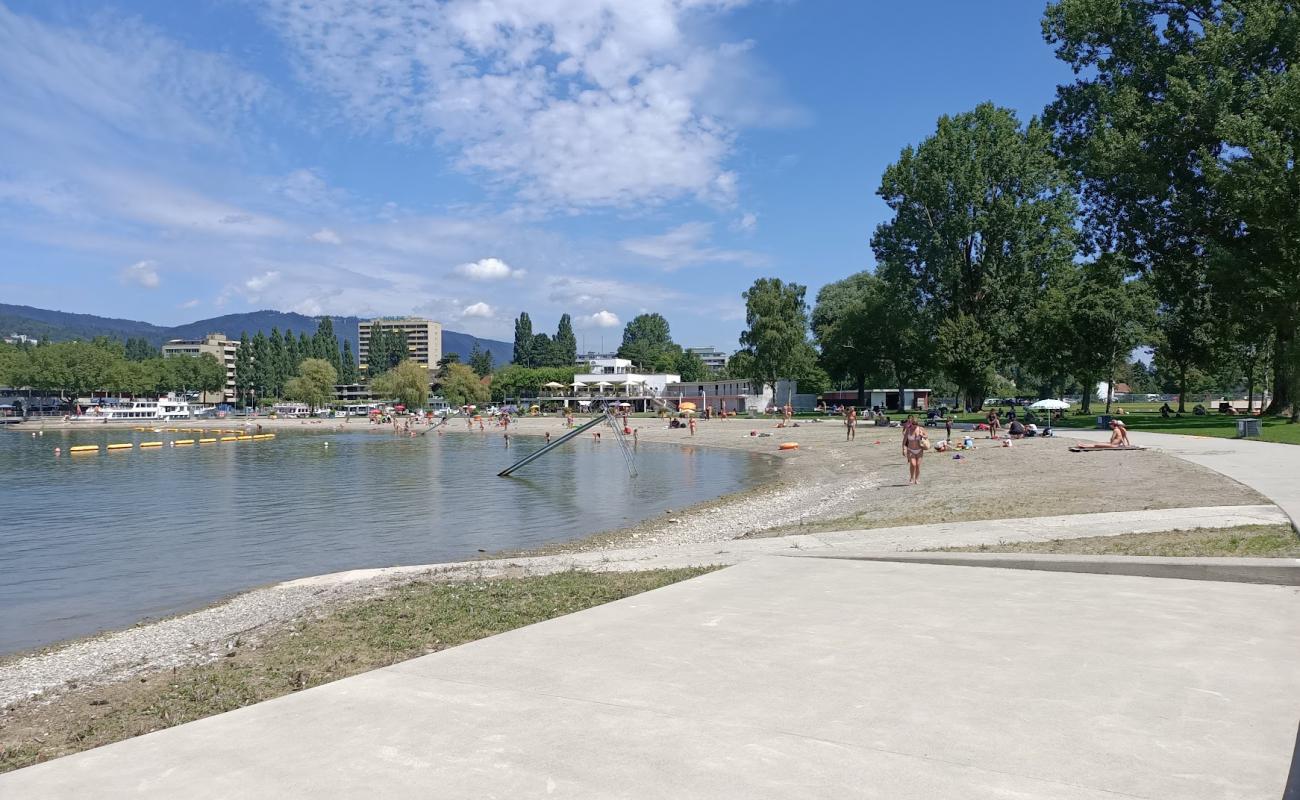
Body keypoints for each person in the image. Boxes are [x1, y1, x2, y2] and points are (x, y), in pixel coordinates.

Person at [901, 415, 928, 485]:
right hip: (910, 449)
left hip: (919, 449)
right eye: (913, 424)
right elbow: (904, 440)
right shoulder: (908, 430)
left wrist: (922, 435)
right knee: (913, 464)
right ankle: (911, 477)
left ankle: (917, 479)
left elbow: (926, 436)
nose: (915, 426)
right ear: (911, 423)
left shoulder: (920, 429)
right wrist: (903, 448)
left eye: (916, 424)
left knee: (918, 465)